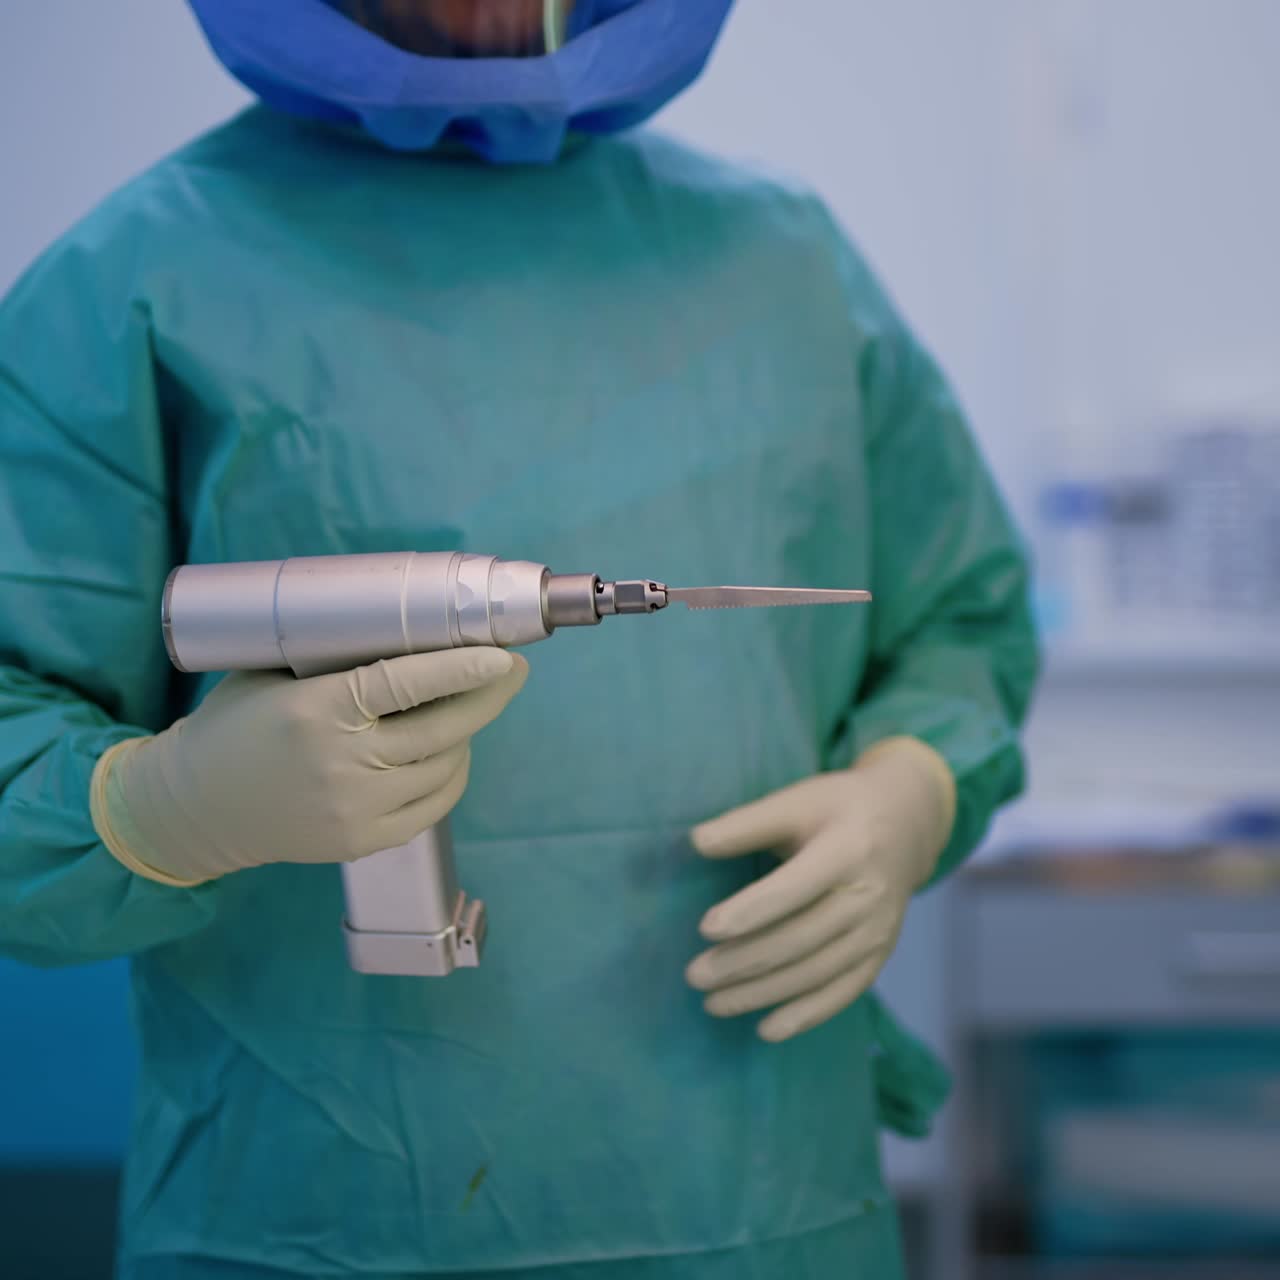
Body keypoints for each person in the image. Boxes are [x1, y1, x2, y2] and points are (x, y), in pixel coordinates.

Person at [0, 1, 1039, 1276]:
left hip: (760, 1206)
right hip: (314, 1223)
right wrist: (153, 805)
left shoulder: (785, 260)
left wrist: (910, 787)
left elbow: (959, 617)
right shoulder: (134, 278)